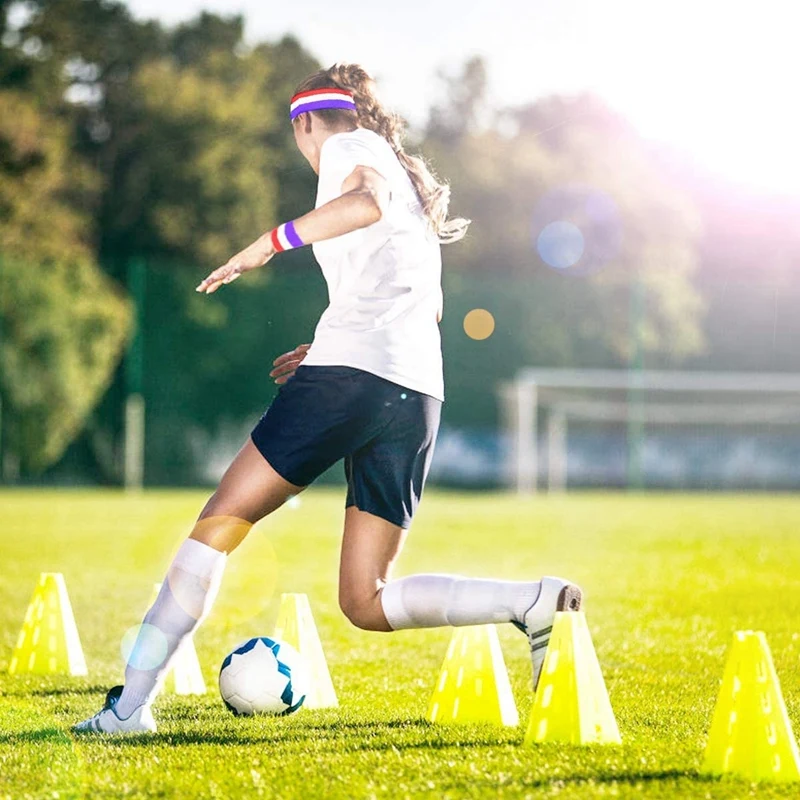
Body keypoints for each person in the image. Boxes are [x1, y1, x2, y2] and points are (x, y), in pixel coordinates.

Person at [74, 63, 581, 735]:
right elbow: (417, 307)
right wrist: (326, 347)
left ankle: (129, 709)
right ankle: (535, 601)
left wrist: (268, 243)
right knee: (364, 599)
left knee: (215, 531)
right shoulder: (408, 182)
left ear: (304, 122)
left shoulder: (348, 150)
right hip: (414, 391)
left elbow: (364, 202)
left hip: (350, 381)